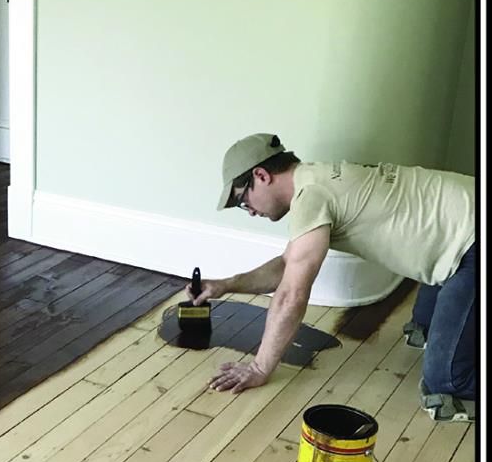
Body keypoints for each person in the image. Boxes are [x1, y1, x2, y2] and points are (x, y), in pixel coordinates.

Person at [177, 132, 476, 419]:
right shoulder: (315, 180)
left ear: (261, 176)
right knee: (423, 325)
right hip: (461, 229)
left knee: (448, 379)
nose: (251, 212)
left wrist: (259, 368)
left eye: (244, 201)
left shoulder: (312, 196)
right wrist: (226, 285)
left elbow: (292, 294)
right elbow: (287, 264)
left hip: (472, 244)